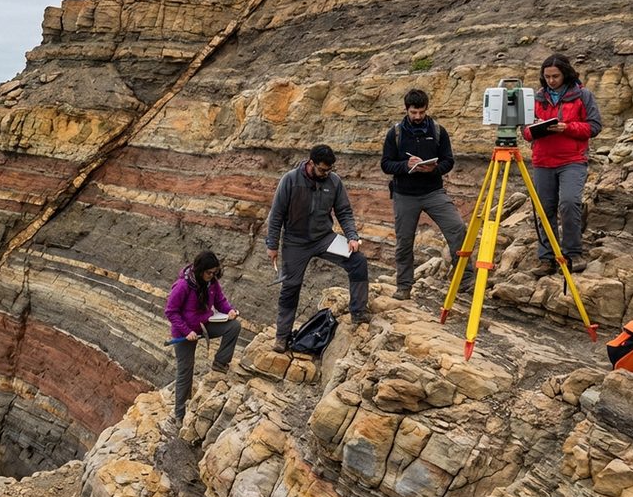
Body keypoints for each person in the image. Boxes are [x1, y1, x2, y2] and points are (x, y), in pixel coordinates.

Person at [265, 144, 370, 353]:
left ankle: (359, 313)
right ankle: (282, 337)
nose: (326, 173)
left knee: (358, 262)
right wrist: (272, 244)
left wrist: (352, 237)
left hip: (324, 238)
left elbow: (344, 212)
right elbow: (276, 214)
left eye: (329, 170)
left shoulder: (334, 182)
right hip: (296, 242)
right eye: (322, 169)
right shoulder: (291, 180)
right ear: (311, 163)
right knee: (290, 287)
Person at [380, 89, 467, 300]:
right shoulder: (396, 133)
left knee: (457, 228)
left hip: (433, 191)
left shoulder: (438, 131)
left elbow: (449, 161)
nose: (417, 116)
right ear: (406, 110)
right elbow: (386, 164)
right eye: (413, 112)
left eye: (421, 112)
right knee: (404, 242)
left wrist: (434, 169)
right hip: (405, 195)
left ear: (426, 109)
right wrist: (404, 165)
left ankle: (465, 278)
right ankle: (403, 287)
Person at [521, 54, 602, 275]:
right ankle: (547, 258)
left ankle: (573, 252)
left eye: (555, 76)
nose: (551, 80)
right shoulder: (537, 98)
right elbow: (525, 132)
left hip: (572, 161)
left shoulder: (582, 95)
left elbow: (594, 126)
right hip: (543, 161)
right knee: (544, 210)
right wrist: (536, 128)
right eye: (547, 76)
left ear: (565, 73)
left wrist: (567, 127)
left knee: (569, 203)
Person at [164, 250, 241, 421]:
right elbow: (171, 312)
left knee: (233, 326)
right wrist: (187, 331)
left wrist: (229, 311)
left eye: (215, 273)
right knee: (186, 371)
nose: (212, 276)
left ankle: (220, 363)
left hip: (204, 325)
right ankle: (179, 414)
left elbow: (220, 301)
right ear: (200, 270)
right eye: (209, 272)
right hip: (185, 333)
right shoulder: (182, 286)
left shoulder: (212, 282)